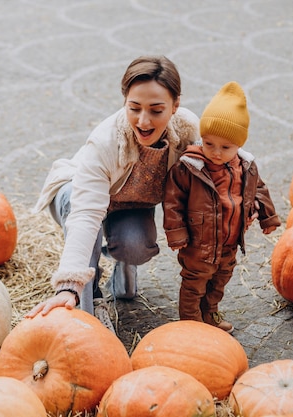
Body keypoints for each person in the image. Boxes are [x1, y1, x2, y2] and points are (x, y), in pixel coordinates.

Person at [25, 55, 200, 332]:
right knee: (79, 207)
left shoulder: (187, 131)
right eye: (134, 108)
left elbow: (217, 160)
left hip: (131, 202)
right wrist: (68, 285)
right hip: (77, 195)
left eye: (156, 110)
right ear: (124, 102)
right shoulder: (105, 141)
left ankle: (121, 263)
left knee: (138, 247)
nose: (143, 121)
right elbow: (85, 214)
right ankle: (91, 300)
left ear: (175, 105)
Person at [163, 81, 281, 333]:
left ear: (239, 145)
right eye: (208, 143)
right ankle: (190, 320)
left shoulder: (246, 166)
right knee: (194, 282)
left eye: (225, 147)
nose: (215, 152)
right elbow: (173, 202)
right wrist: (176, 233)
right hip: (199, 241)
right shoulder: (189, 168)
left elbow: (258, 189)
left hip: (230, 240)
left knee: (219, 280)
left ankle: (210, 312)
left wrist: (267, 217)